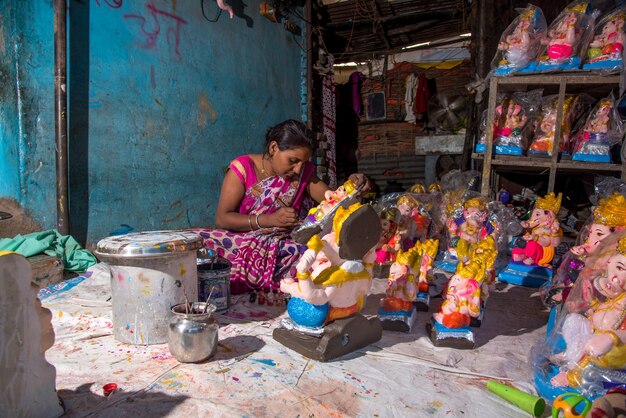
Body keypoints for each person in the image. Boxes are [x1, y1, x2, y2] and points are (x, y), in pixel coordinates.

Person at [196, 119, 369, 294]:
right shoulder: (242, 169)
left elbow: (331, 199)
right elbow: (222, 219)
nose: (297, 169)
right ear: (273, 148)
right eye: (293, 160)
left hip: (286, 247)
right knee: (200, 242)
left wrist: (351, 189)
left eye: (303, 163)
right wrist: (269, 220)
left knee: (320, 255)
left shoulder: (303, 172)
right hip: (243, 242)